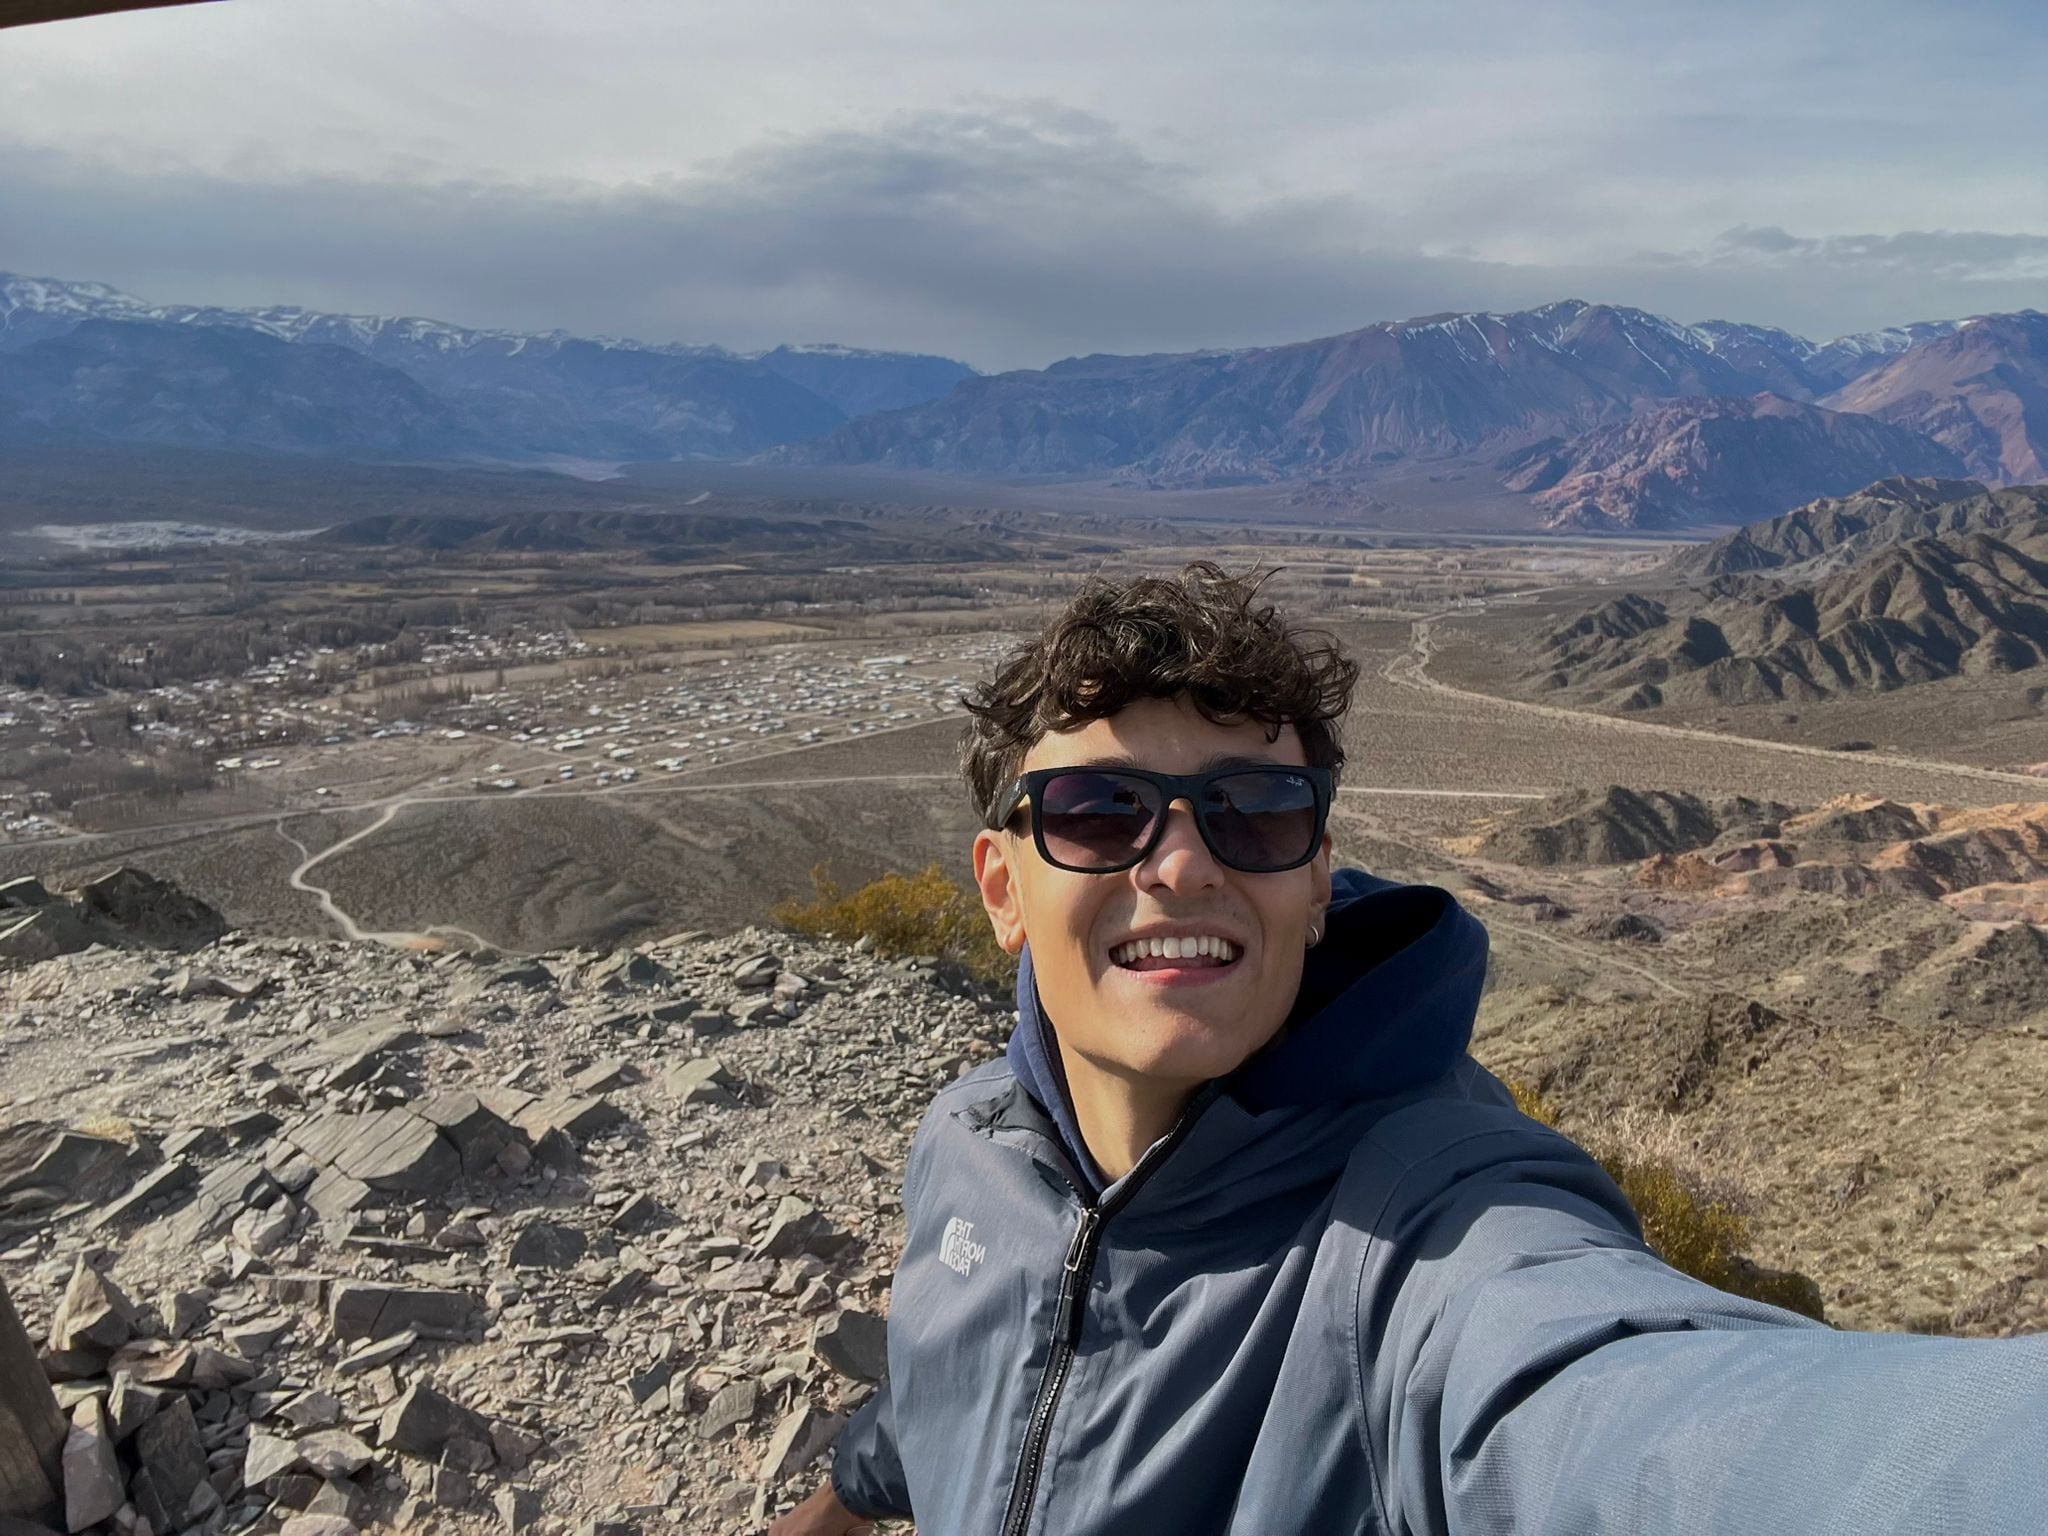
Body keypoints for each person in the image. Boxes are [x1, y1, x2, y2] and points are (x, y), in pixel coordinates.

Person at [770, 562, 2048, 1536]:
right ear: (1000, 886)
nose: (1177, 865)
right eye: (1098, 812)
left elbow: (1662, 1424)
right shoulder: (970, 1143)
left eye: (1253, 813)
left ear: (1319, 878)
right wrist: (843, 1490)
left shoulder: (1427, 1239)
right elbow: (981, 1351)